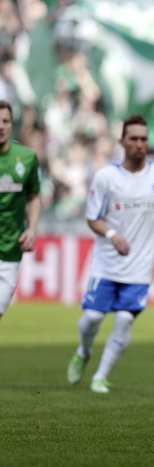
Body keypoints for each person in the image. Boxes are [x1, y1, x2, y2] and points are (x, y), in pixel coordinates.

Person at [66, 115, 154, 393]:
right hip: (106, 263)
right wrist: (112, 235)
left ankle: (100, 376)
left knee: (125, 319)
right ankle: (83, 351)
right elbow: (92, 218)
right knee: (92, 318)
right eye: (134, 139)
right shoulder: (106, 177)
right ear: (122, 142)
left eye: (144, 139)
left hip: (140, 267)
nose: (140, 144)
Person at [0, 100, 40, 321]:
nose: (1, 126)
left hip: (10, 250)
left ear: (11, 124)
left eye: (5, 121)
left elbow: (33, 196)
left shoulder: (26, 158)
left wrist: (32, 228)